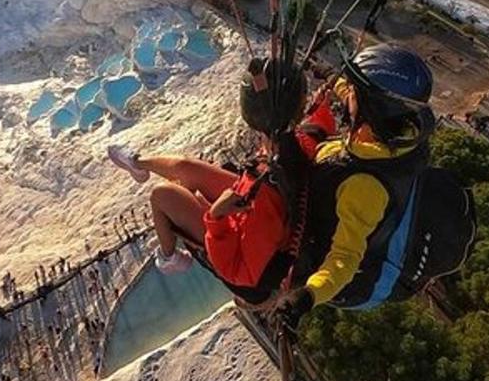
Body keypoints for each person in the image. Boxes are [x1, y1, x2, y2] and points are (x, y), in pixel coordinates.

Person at [108, 59, 333, 299]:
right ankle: (138, 162)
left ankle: (169, 258)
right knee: (187, 168)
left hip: (244, 262)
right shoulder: (294, 143)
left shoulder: (271, 180)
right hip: (259, 204)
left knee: (162, 195)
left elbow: (242, 270)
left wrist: (216, 216)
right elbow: (319, 119)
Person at [274, 42, 437, 327]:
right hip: (337, 183)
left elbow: (344, 259)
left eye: (355, 94)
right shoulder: (396, 129)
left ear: (372, 107)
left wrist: (306, 297)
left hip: (342, 275)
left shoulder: (366, 187)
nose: (348, 95)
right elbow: (351, 92)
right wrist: (323, 73)